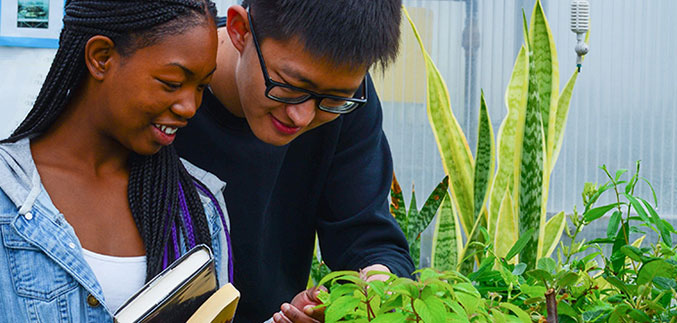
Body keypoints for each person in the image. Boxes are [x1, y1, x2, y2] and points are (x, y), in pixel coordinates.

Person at [173, 0, 413, 321]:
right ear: (240, 30)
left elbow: (366, 236)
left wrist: (373, 289)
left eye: (335, 99)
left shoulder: (350, 106)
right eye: (289, 86)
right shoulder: (159, 83)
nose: (302, 116)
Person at [0, 0, 232, 321]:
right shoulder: (9, 197)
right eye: (172, 83)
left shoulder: (198, 206)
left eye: (202, 86)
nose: (190, 107)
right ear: (102, 58)